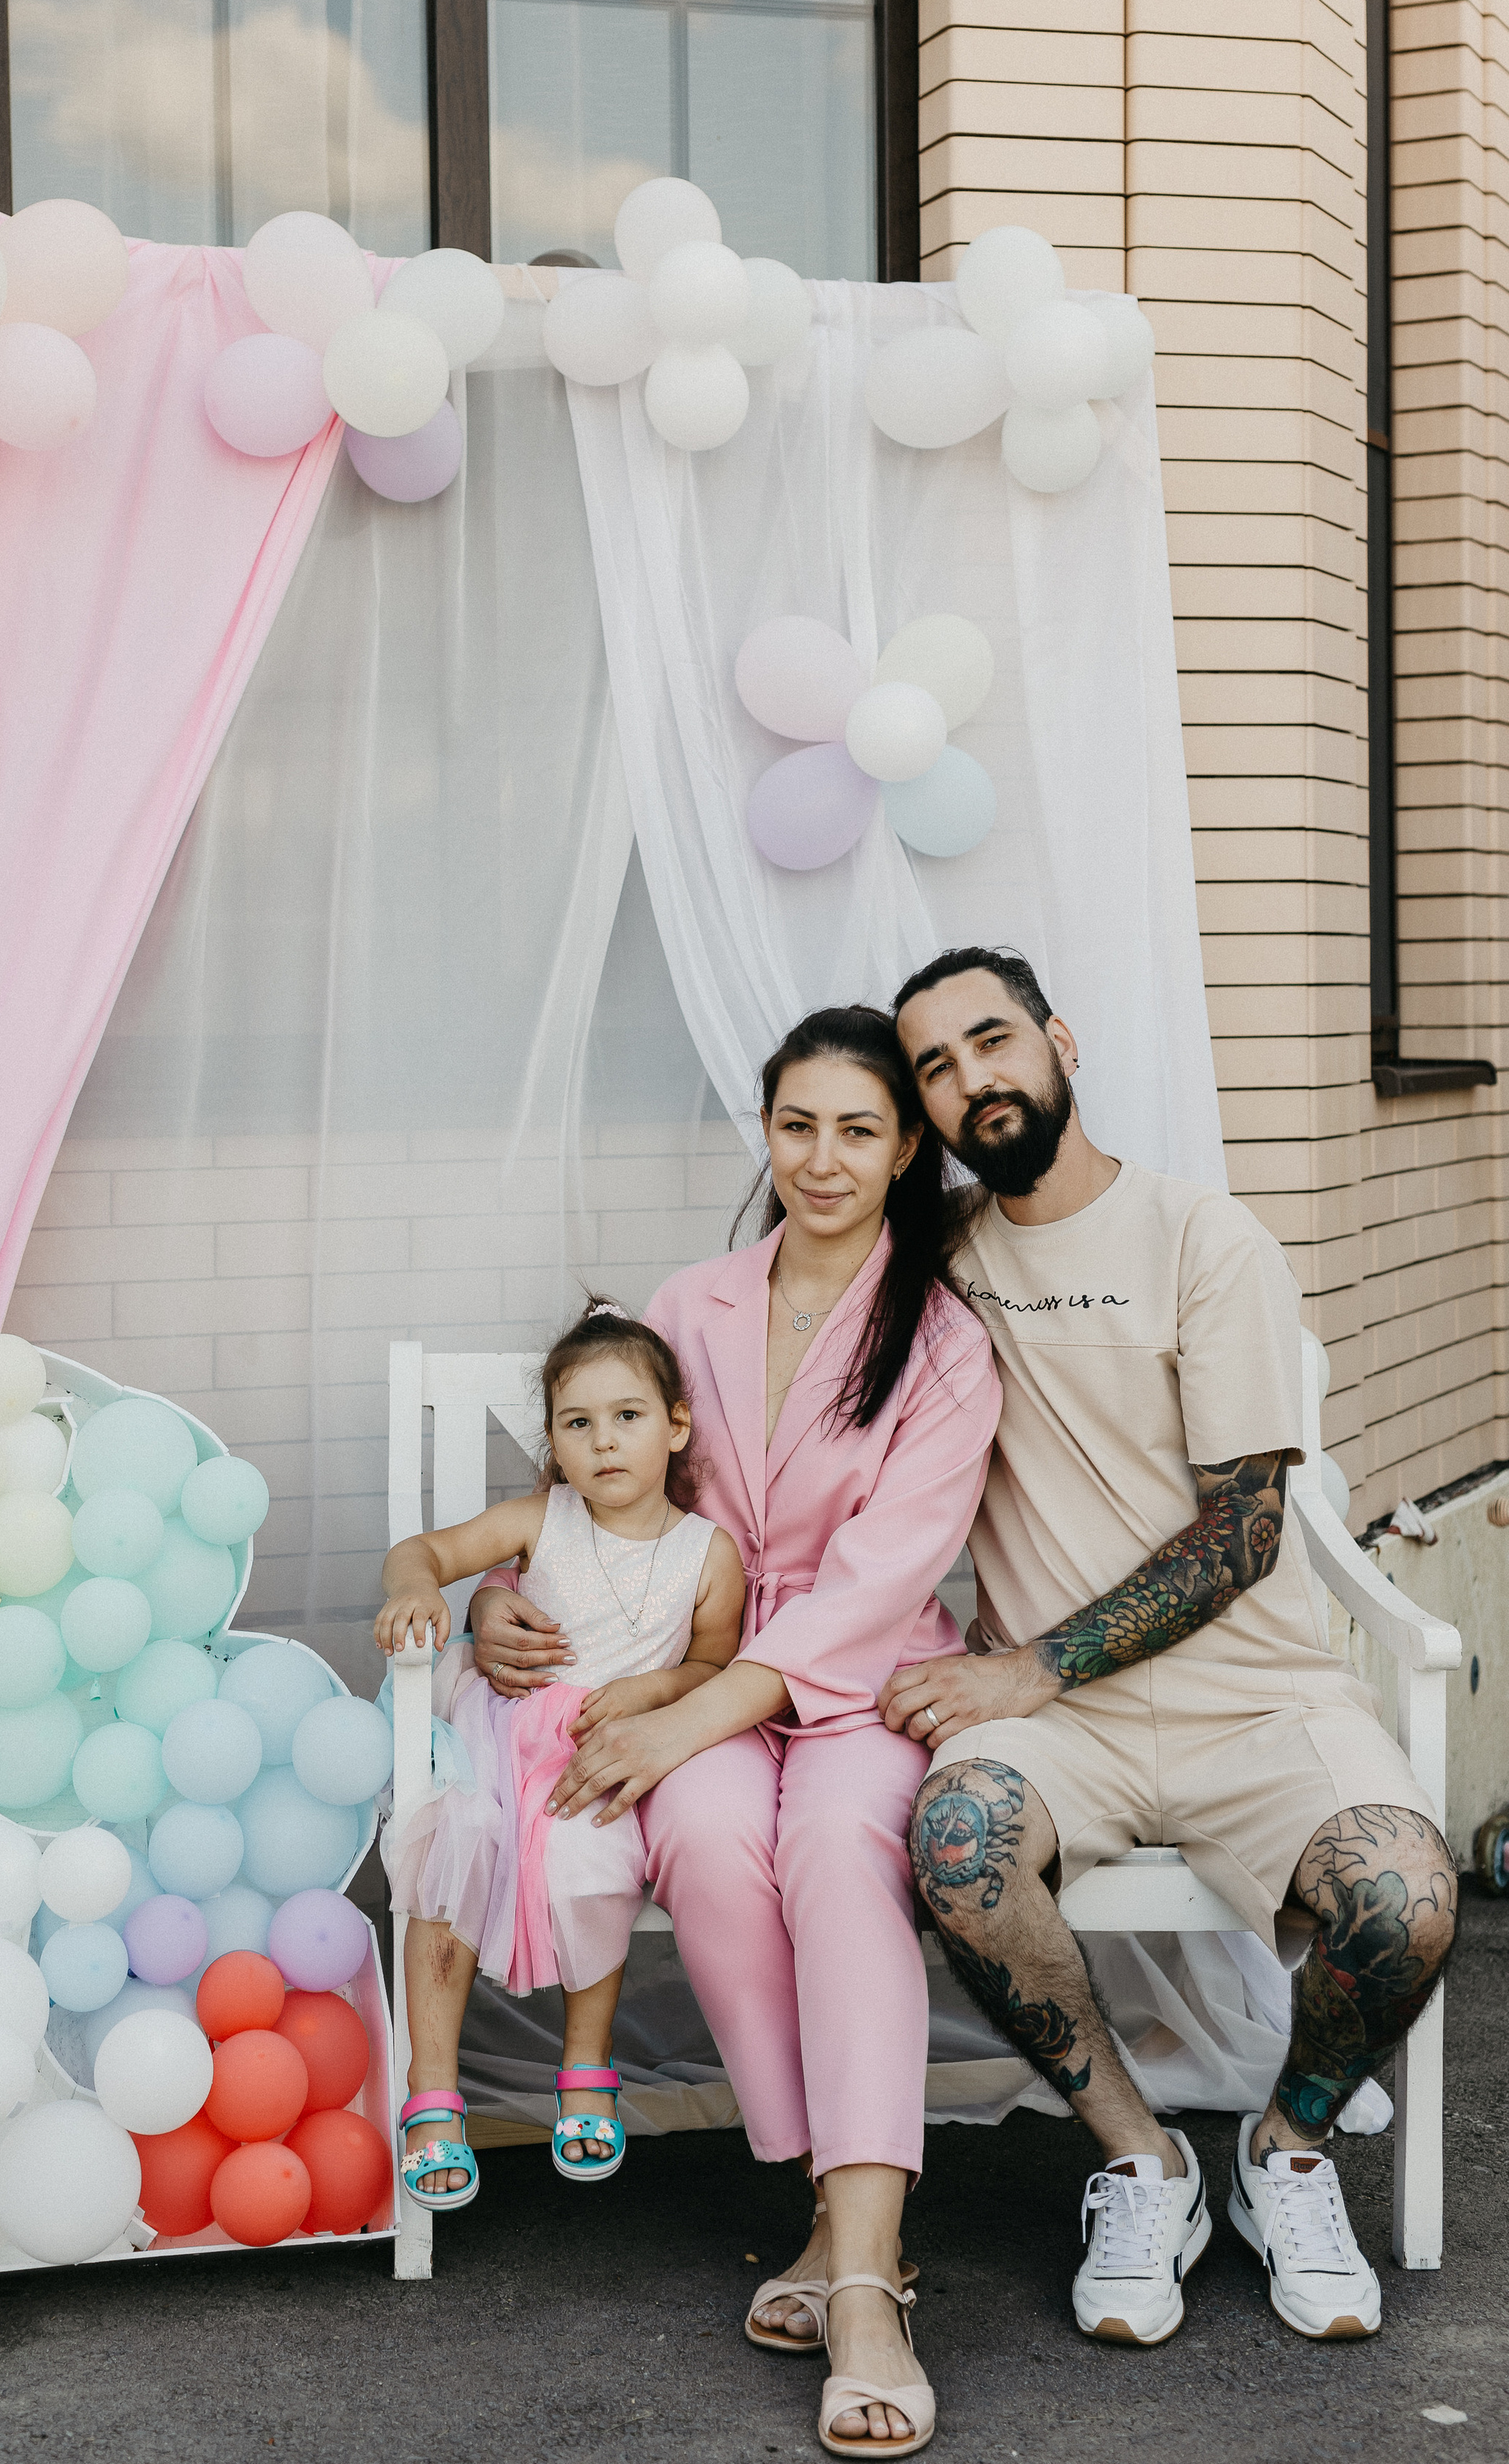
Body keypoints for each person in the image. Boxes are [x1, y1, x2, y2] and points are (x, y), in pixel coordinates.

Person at [883, 944, 1458, 2349]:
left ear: (1061, 1042)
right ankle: (1144, 2163)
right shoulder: (938, 1264)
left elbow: (1247, 1530)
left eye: (992, 1041)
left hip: (1250, 1702)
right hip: (1060, 1735)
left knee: (1405, 1901)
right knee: (957, 1842)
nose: (974, 1082)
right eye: (937, 1070)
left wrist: (1029, 1665)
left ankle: (1287, 2151)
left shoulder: (1207, 1239)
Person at [472, 1005, 1001, 2457]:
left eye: (856, 1131)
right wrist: (489, 1606)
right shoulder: (692, 1299)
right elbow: (608, 1495)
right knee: (704, 1839)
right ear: (763, 1134)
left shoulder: (942, 1342)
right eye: (795, 1126)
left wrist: (697, 1708)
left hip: (858, 1671)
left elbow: (877, 1583)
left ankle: (864, 2293)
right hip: (680, 1655)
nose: (820, 1159)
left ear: (903, 1152)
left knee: (833, 1843)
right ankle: (840, 2227)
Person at [375, 1299, 745, 2210]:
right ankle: (433, 2092)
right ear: (553, 1440)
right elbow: (422, 1549)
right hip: (500, 1735)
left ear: (675, 1426)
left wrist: (654, 1691)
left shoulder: (708, 1554)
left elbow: (714, 1661)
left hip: (596, 1752)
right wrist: (416, 1587)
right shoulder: (541, 1520)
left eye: (628, 1418)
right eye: (578, 1424)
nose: (605, 1443)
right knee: (451, 1850)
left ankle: (587, 2065)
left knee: (594, 1858)